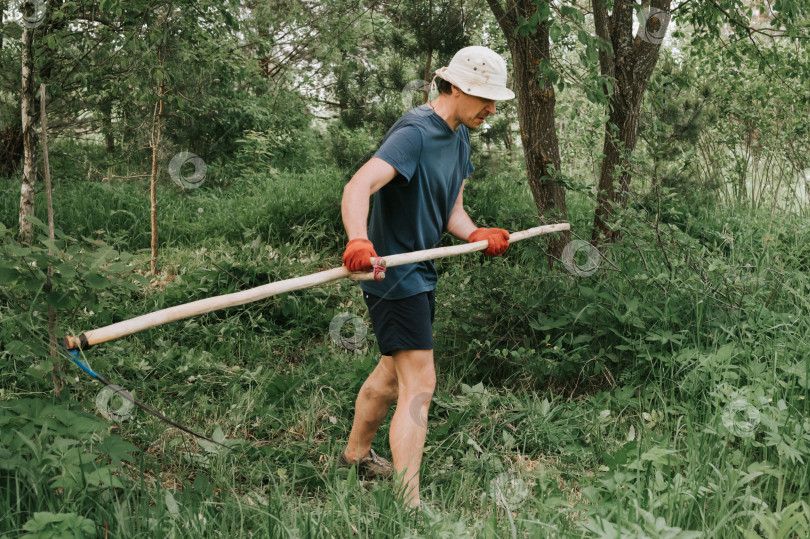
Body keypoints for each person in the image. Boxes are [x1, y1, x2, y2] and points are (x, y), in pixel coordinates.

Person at [338, 45, 515, 507]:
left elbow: (451, 209)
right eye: (483, 97)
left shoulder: (459, 136)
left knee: (392, 374)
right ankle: (409, 504)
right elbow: (358, 185)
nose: (491, 109)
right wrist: (358, 240)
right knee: (422, 381)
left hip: (422, 269)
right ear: (454, 86)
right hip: (392, 274)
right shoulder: (416, 132)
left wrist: (476, 232)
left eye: (495, 99)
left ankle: (355, 456)